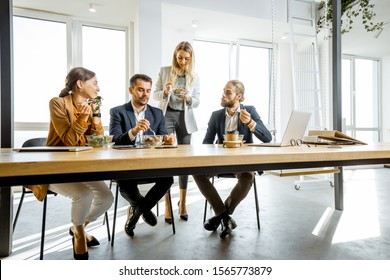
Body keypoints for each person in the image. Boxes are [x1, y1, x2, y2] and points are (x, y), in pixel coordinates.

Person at [31, 67, 114, 260]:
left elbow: (97, 141)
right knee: (83, 194)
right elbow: (69, 141)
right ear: (80, 84)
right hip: (55, 168)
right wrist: (83, 118)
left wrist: (96, 116)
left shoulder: (90, 105)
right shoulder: (58, 103)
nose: (98, 88)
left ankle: (78, 226)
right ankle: (79, 235)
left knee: (106, 197)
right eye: (95, 83)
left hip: (82, 167)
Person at [192, 79, 272, 238]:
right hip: (219, 162)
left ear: (239, 97)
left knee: (247, 177)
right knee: (196, 172)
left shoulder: (250, 110)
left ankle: (219, 217)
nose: (223, 95)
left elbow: (267, 137)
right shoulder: (216, 115)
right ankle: (225, 217)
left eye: (228, 92)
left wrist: (250, 122)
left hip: (242, 162)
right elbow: (206, 142)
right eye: (223, 91)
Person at [110, 74, 175, 237]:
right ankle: (144, 211)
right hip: (126, 165)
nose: (145, 94)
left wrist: (167, 139)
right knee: (125, 183)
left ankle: (136, 213)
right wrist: (134, 131)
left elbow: (161, 136)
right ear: (131, 90)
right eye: (140, 90)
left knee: (168, 178)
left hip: (151, 163)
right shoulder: (118, 112)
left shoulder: (157, 113)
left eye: (148, 90)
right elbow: (115, 140)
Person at [153, 41, 200, 224]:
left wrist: (188, 98)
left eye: (186, 59)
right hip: (167, 115)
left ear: (191, 59)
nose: (182, 61)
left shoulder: (194, 76)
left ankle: (183, 203)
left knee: (185, 161)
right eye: (180, 57)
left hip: (185, 118)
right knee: (167, 159)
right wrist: (165, 91)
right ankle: (167, 205)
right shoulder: (165, 71)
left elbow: (197, 101)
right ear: (175, 55)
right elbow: (155, 94)